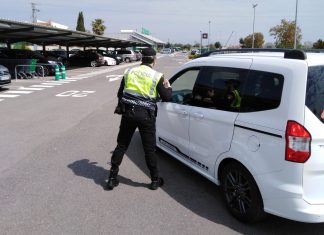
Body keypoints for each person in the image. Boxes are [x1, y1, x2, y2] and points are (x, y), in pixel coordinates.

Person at [106, 47, 172, 190]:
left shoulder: (129, 72)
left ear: (142, 58)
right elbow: (167, 97)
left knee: (121, 145)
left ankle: (112, 178)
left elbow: (120, 93)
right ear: (154, 59)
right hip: (146, 116)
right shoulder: (157, 76)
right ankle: (155, 180)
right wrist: (168, 87)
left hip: (128, 114)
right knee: (149, 149)